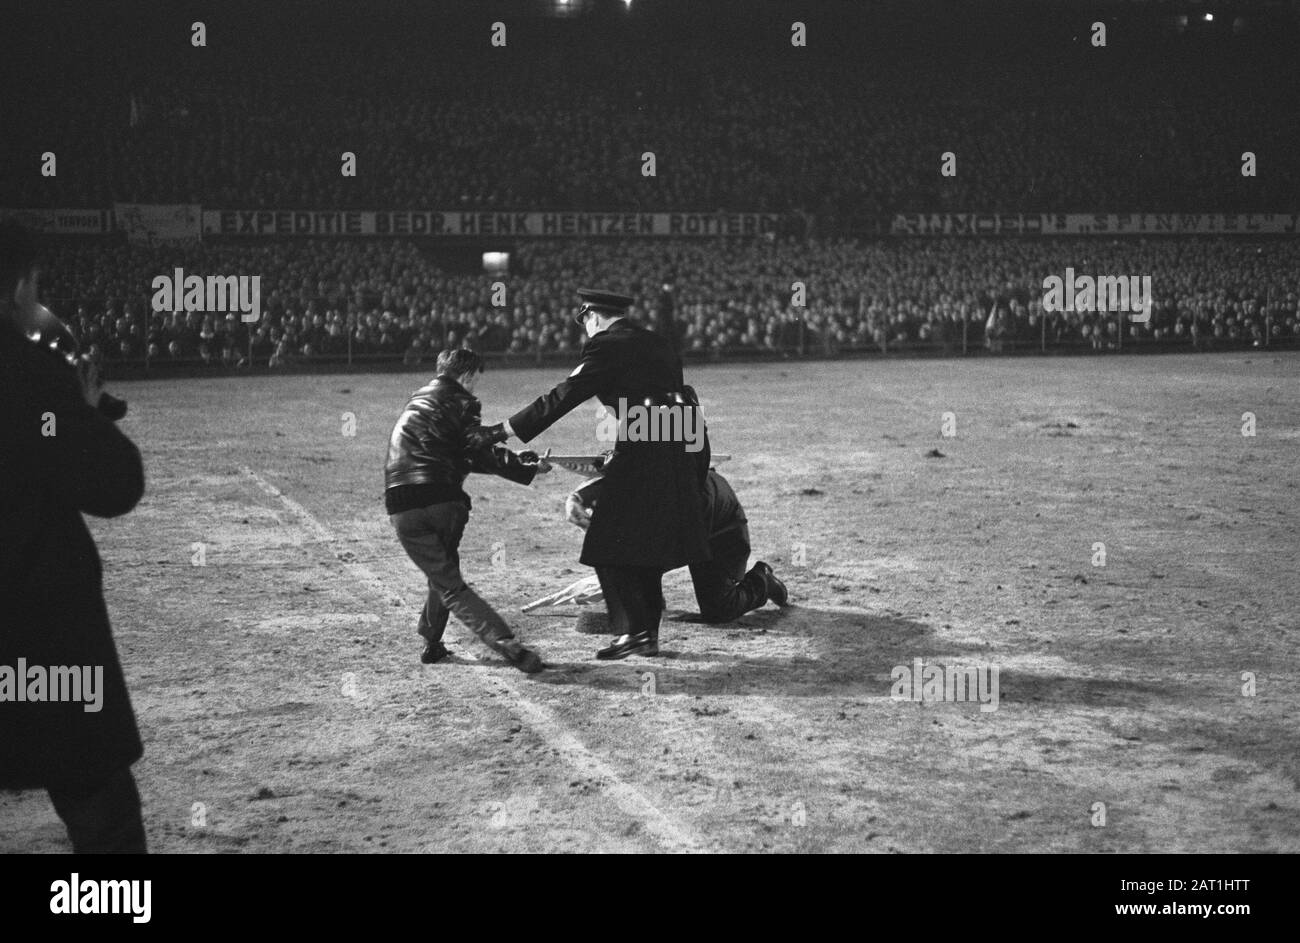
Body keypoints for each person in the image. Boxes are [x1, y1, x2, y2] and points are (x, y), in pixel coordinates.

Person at [0, 219, 148, 852]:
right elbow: (114, 486)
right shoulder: (27, 371)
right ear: (19, 286)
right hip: (39, 625)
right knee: (98, 803)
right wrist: (82, 411)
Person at [476, 288, 711, 660]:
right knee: (643, 541)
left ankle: (633, 632)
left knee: (606, 539)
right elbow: (679, 397)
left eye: (584, 322)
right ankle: (645, 634)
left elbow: (564, 394)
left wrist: (501, 431)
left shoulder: (604, 346)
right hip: (680, 441)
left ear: (592, 316)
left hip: (643, 444)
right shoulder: (659, 343)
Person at [385, 348, 551, 673]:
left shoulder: (416, 403)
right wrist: (526, 465)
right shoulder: (463, 401)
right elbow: (477, 449)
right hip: (444, 501)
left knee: (442, 570)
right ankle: (505, 641)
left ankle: (431, 641)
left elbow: (466, 453)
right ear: (468, 375)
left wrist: (520, 461)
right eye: (476, 379)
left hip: (402, 504)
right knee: (449, 582)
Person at [567, 463, 788, 623]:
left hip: (723, 530)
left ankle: (762, 580)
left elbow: (668, 550)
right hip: (682, 517)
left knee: (719, 610)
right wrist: (576, 499)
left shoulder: (687, 500)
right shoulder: (639, 476)